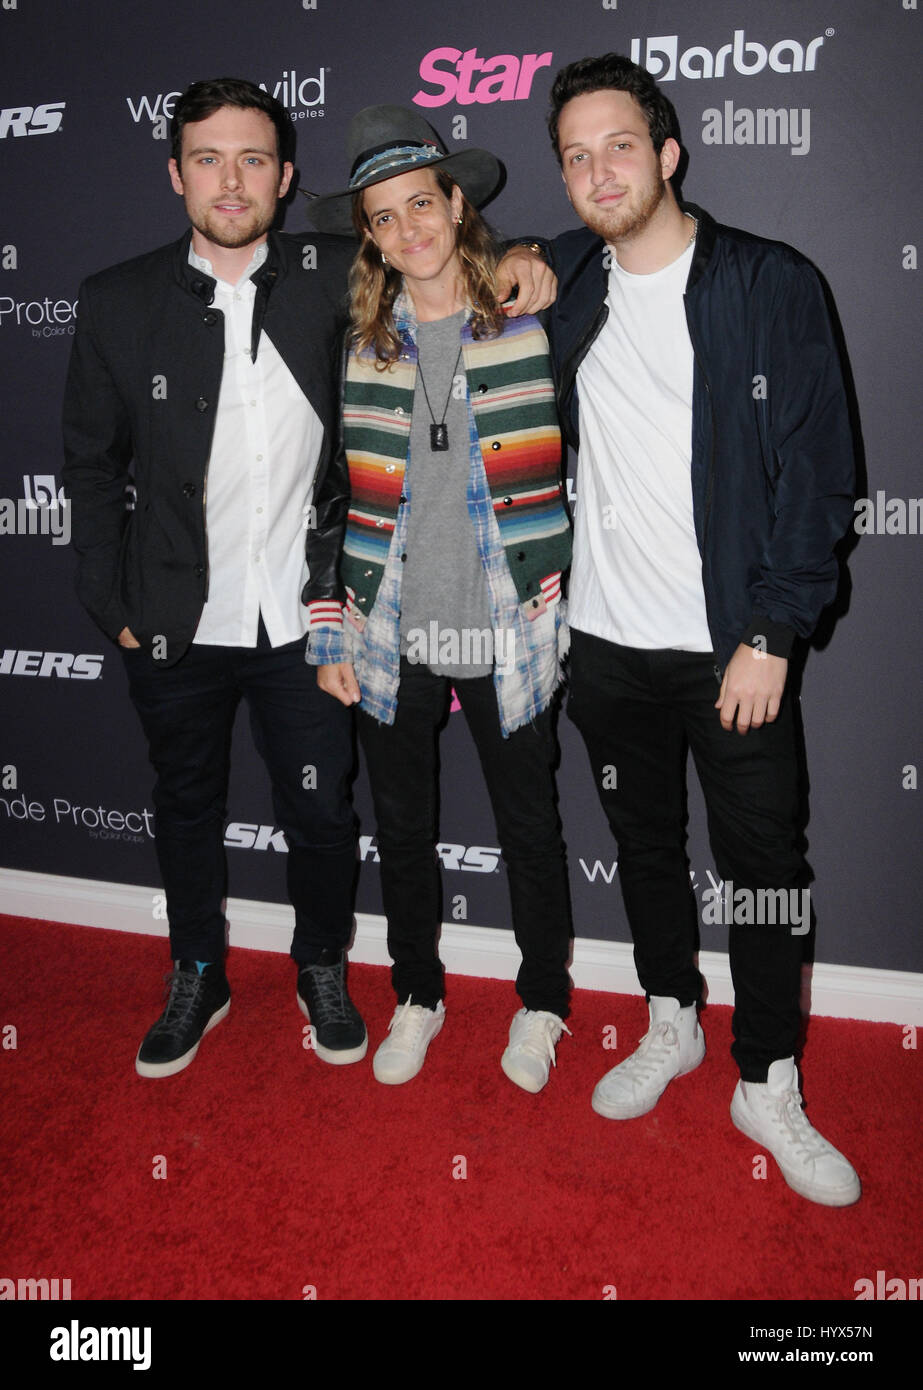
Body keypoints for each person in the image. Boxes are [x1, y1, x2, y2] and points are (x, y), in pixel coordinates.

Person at [61, 78, 551, 1080]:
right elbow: (90, 465)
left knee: (324, 811)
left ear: (286, 179)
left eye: (252, 159)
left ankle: (321, 963)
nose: (230, 180)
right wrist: (109, 603)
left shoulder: (335, 275)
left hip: (308, 619)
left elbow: (446, 256)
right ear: (174, 173)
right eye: (207, 157)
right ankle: (197, 966)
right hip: (172, 617)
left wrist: (528, 256)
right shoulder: (117, 300)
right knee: (184, 801)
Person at [543, 54, 860, 1204]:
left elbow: (820, 474)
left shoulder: (768, 282)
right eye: (574, 155)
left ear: (667, 152)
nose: (596, 170)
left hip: (732, 646)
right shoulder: (565, 275)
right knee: (642, 851)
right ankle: (668, 1013)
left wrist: (773, 632)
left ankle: (765, 1074)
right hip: (606, 646)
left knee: (765, 871)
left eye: (617, 144)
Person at [303, 106, 574, 1092]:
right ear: (368, 234)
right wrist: (327, 623)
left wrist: (539, 253)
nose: (407, 228)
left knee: (529, 825)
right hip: (390, 627)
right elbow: (330, 494)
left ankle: (541, 1001)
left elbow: (614, 238)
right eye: (383, 216)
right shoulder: (360, 342)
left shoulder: (534, 310)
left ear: (457, 203)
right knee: (403, 826)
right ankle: (415, 992)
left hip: (508, 621)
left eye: (421, 202)